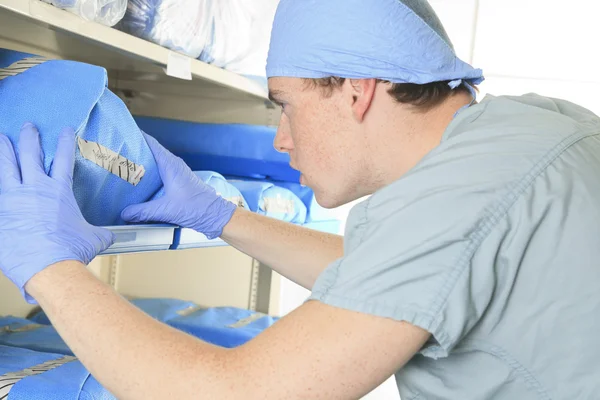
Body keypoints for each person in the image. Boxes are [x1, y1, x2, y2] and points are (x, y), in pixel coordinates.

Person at [1, 0, 599, 398]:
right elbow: (391, 278)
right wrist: (224, 218)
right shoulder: (527, 131)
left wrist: (49, 268)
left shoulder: (459, 197)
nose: (282, 138)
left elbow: (238, 396)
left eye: (285, 104)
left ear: (358, 91)